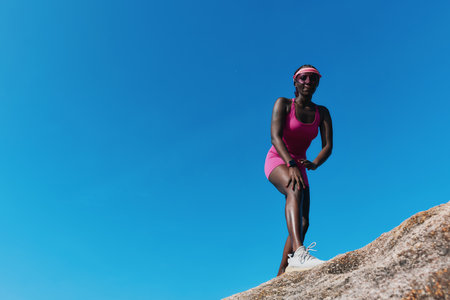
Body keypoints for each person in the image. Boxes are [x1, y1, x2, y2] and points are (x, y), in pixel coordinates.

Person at [264, 65, 333, 276]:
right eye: (303, 78)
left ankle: (283, 272)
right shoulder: (283, 104)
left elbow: (328, 146)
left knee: (304, 221)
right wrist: (290, 164)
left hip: (299, 165)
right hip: (279, 158)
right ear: (295, 82)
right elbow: (275, 137)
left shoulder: (322, 113)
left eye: (313, 78)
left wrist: (315, 163)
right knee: (294, 191)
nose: (308, 82)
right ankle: (300, 253)